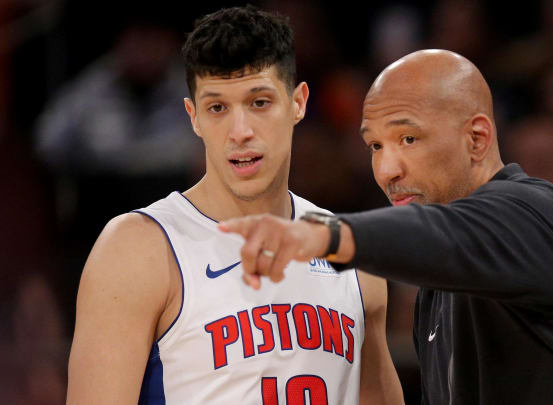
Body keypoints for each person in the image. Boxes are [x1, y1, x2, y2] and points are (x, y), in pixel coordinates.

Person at [219, 50, 553, 404]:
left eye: (408, 138)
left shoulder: (538, 214)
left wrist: (322, 233)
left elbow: (445, 233)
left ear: (476, 138)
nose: (387, 169)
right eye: (375, 145)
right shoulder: (436, 290)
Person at [66, 6, 404, 404]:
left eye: (259, 102)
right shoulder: (138, 249)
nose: (239, 132)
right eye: (217, 108)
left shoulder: (350, 253)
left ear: (298, 102)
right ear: (193, 117)